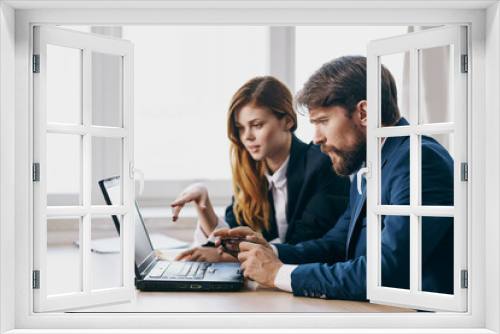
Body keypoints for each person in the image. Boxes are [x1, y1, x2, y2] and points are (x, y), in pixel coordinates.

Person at [214, 56, 454, 300]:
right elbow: (335, 246)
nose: (316, 138)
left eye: (323, 121)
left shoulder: (419, 162)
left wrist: (278, 274)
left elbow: (386, 271)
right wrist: (267, 250)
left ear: (364, 113)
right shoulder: (370, 167)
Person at [171, 76, 350, 262]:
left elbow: (305, 245)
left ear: (287, 121)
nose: (247, 136)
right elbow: (231, 238)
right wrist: (203, 202)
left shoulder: (323, 164)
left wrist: (233, 256)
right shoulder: (251, 170)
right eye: (240, 128)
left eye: (257, 125)